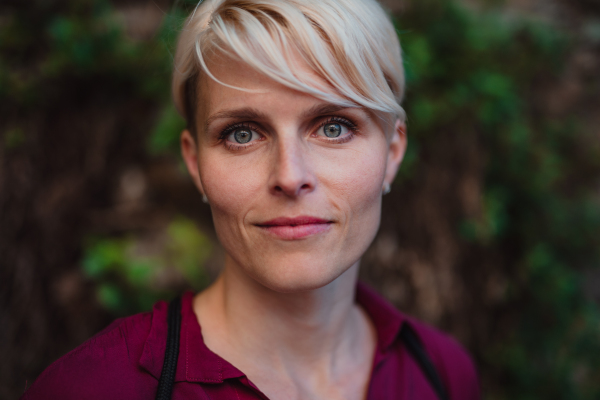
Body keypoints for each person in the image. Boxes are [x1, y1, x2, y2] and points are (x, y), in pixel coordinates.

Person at [21, 0, 480, 399]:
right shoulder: (96, 389)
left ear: (392, 153)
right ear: (195, 162)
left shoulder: (441, 372)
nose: (290, 176)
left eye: (333, 127)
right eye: (242, 134)